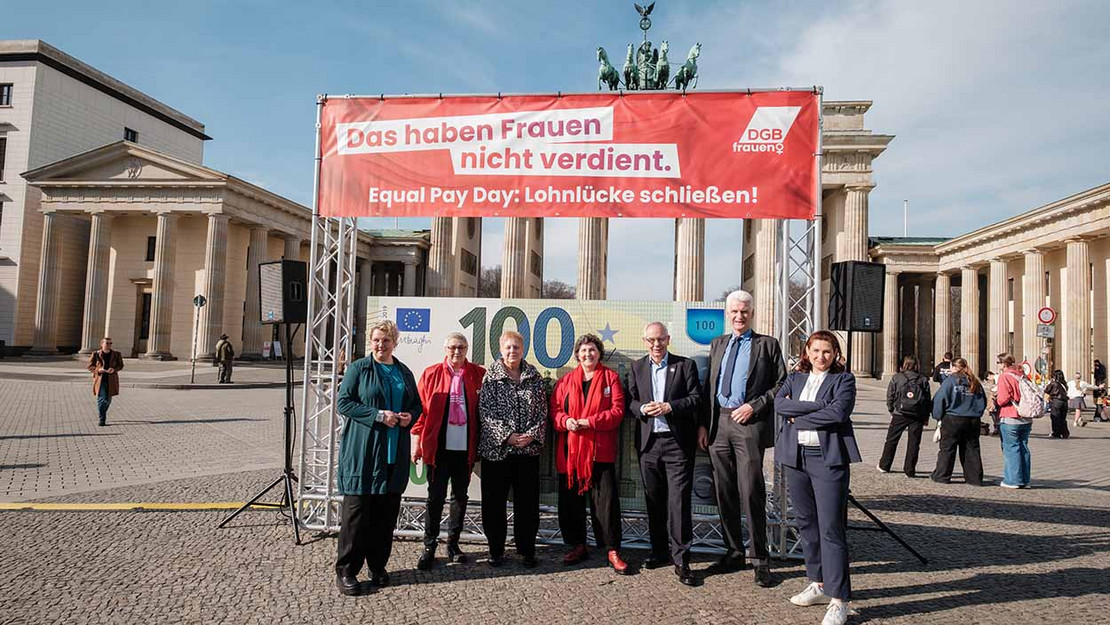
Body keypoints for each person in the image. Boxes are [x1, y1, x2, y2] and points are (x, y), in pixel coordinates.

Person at [700, 289, 786, 587]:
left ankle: (760, 559)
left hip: (748, 423)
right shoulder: (717, 344)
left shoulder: (767, 345)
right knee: (723, 492)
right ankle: (734, 551)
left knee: (751, 491)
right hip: (718, 425)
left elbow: (782, 384)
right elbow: (708, 387)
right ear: (727, 313)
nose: (739, 316)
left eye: (744, 312)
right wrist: (703, 425)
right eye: (734, 312)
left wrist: (755, 406)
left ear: (752, 314)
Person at [775, 330, 861, 625]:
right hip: (796, 458)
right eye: (816, 351)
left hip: (828, 460)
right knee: (806, 524)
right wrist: (817, 408)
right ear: (806, 352)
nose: (821, 357)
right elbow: (779, 405)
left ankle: (840, 599)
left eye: (827, 351)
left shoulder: (844, 380)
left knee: (831, 529)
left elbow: (838, 413)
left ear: (835, 354)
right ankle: (818, 582)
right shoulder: (795, 377)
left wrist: (798, 418)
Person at [334, 319, 421, 595]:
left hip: (394, 455)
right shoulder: (359, 369)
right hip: (364, 453)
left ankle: (378, 566)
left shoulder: (403, 372)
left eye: (386, 340)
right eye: (376, 340)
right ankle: (347, 571)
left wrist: (409, 417)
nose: (381, 345)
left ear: (395, 342)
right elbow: (344, 402)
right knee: (357, 515)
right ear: (370, 342)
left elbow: (415, 406)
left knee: (385, 516)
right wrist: (377, 415)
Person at [626, 321, 702, 587]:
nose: (655, 345)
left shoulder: (685, 365)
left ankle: (682, 560)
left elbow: (696, 398)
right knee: (654, 501)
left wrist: (670, 406)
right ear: (644, 341)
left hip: (677, 444)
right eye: (650, 340)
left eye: (660, 340)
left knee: (679, 502)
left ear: (668, 340)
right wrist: (643, 409)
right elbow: (630, 402)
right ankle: (659, 551)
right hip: (649, 444)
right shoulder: (636, 367)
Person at [550, 334, 629, 575]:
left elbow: (617, 412)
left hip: (599, 453)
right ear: (577, 355)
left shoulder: (611, 378)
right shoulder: (564, 382)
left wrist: (590, 421)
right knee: (570, 503)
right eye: (583, 350)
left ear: (599, 353)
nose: (588, 354)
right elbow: (554, 411)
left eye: (592, 350)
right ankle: (577, 545)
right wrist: (566, 421)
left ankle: (612, 550)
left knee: (605, 504)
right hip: (570, 454)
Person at [413, 332, 485, 570]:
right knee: (435, 498)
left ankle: (453, 544)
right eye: (453, 347)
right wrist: (417, 442)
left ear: (467, 349)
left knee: (460, 498)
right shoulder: (432, 373)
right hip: (438, 448)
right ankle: (429, 545)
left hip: (464, 449)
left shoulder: (477, 374)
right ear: (446, 349)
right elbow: (421, 411)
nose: (457, 351)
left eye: (462, 347)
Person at [478, 331, 548, 568]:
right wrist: (507, 437)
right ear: (500, 349)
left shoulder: (533, 376)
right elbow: (485, 412)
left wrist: (530, 436)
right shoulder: (491, 377)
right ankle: (496, 550)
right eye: (508, 347)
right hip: (497, 453)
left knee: (527, 504)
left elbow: (542, 411)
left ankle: (527, 549)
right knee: (494, 503)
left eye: (516, 347)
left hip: (527, 453)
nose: (512, 351)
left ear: (523, 349)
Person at [930, 358, 987, 486]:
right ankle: (974, 478)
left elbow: (939, 400)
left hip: (953, 418)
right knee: (972, 449)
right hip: (972, 419)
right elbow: (983, 401)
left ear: (954, 367)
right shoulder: (975, 382)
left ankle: (942, 475)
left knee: (947, 449)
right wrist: (976, 413)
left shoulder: (950, 382)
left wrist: (937, 416)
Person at [878, 355, 931, 477]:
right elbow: (927, 400)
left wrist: (891, 409)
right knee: (914, 443)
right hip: (917, 414)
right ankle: (909, 469)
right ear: (917, 365)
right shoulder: (923, 379)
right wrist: (926, 416)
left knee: (891, 440)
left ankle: (884, 465)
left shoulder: (897, 377)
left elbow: (890, 396)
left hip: (899, 413)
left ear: (905, 364)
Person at [995, 354, 1033, 488]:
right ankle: (1025, 480)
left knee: (1011, 448)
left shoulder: (1005, 376)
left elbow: (1003, 399)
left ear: (1003, 364)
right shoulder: (1022, 375)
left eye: (998, 363)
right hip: (1026, 418)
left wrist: (996, 398)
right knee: (1023, 448)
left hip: (1010, 416)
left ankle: (1013, 480)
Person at [86, 337, 124, 426]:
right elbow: (90, 366)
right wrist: (98, 370)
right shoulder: (96, 354)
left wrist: (114, 369)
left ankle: (102, 412)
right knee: (102, 399)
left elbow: (120, 365)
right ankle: (102, 418)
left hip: (111, 379)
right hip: (100, 379)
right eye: (107, 343)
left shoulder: (116, 354)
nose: (109, 345)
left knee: (108, 400)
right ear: (102, 344)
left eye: (111, 343)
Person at [1044, 370, 1070, 439]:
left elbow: (1047, 390)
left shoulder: (1054, 383)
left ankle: (1056, 433)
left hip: (1056, 401)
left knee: (1055, 417)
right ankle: (1064, 432)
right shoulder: (1064, 384)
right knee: (1062, 418)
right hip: (1064, 402)